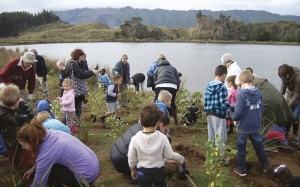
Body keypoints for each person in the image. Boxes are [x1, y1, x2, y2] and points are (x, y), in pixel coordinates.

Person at [16, 119, 99, 187]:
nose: (23, 148)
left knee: (48, 172)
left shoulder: (46, 153)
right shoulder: (51, 133)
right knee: (47, 167)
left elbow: (39, 183)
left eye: (24, 145)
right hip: (93, 167)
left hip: (86, 177)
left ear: (33, 142)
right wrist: (34, 168)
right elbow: (45, 158)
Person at [128, 103, 187, 186]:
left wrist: (132, 170)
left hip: (142, 172)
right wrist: (181, 159)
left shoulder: (135, 139)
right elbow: (169, 155)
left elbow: (132, 158)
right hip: (158, 171)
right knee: (161, 184)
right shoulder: (163, 138)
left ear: (140, 121)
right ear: (157, 123)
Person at [232, 70, 269, 176]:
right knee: (259, 146)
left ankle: (241, 169)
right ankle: (265, 165)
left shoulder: (241, 94)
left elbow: (238, 112)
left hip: (243, 126)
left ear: (241, 82)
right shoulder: (259, 93)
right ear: (252, 80)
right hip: (255, 125)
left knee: (241, 148)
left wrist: (234, 118)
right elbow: (262, 109)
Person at [248, 68, 294, 135]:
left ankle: (262, 136)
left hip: (268, 101)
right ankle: (282, 133)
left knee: (263, 119)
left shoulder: (252, 85)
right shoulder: (261, 80)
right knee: (279, 116)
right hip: (279, 98)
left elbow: (250, 103)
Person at [0, 84, 34, 171]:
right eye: (8, 106)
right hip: (10, 143)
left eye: (14, 105)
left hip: (26, 143)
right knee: (14, 162)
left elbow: (33, 122)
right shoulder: (1, 110)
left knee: (27, 162)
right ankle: (17, 173)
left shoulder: (26, 107)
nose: (11, 108)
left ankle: (29, 176)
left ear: (19, 97)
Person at [204, 65, 234, 151]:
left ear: (215, 74)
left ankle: (211, 154)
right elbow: (223, 103)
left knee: (211, 136)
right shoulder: (222, 86)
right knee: (220, 137)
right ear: (224, 75)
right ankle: (220, 158)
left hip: (209, 113)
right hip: (218, 114)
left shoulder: (208, 85)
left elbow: (206, 100)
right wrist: (233, 108)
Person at [65, 49, 99, 125]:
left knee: (78, 105)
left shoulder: (77, 63)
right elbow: (80, 74)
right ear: (77, 56)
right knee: (70, 107)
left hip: (78, 89)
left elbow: (84, 71)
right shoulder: (72, 64)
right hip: (73, 89)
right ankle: (67, 122)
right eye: (81, 57)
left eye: (83, 57)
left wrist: (91, 71)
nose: (83, 59)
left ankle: (78, 121)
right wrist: (92, 72)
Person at [153, 59, 180, 129]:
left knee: (157, 102)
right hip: (172, 86)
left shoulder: (157, 68)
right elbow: (178, 80)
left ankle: (153, 119)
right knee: (172, 103)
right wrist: (176, 89)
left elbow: (154, 79)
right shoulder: (173, 68)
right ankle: (176, 123)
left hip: (159, 86)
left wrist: (156, 90)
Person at [278, 64, 300, 146]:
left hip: (298, 98)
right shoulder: (284, 75)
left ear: (289, 74)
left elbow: (297, 94)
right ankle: (285, 134)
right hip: (290, 96)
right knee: (288, 115)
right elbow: (283, 87)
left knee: (295, 116)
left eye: (284, 77)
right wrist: (279, 100)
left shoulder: (298, 78)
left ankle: (295, 135)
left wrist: (287, 107)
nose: (283, 78)